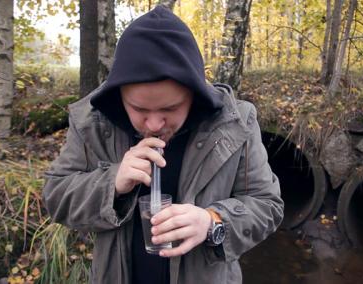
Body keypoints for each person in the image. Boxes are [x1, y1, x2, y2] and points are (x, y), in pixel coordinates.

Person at [43, 5, 283, 284]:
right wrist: (113, 182)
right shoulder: (94, 123)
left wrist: (213, 222)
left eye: (170, 109)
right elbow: (56, 196)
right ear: (120, 96)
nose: (154, 124)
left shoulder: (234, 123)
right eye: (139, 110)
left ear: (194, 94)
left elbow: (267, 205)